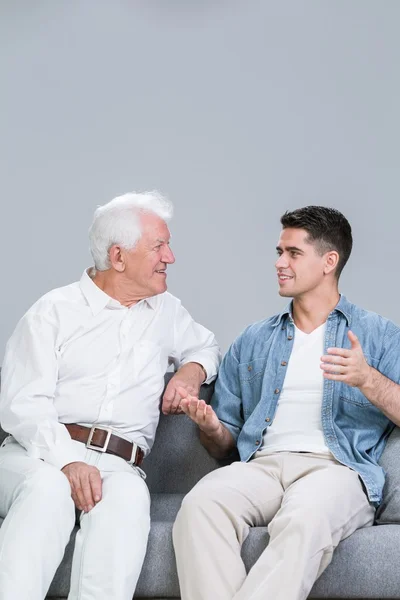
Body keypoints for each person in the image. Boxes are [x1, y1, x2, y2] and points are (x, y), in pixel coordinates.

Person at [0, 191, 220, 600]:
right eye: (159, 246)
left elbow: (206, 347)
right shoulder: (53, 311)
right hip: (38, 454)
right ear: (118, 257)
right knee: (48, 493)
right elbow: (23, 405)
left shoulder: (166, 310)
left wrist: (191, 371)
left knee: (128, 501)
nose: (170, 257)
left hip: (120, 467)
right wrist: (67, 461)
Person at [173, 205, 400, 600]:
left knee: (304, 519)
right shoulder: (254, 340)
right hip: (261, 466)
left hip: (336, 470)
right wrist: (211, 428)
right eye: (279, 252)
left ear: (330, 261)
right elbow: (225, 445)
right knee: (200, 505)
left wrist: (368, 380)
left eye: (293, 253)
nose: (280, 263)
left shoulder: (378, 335)